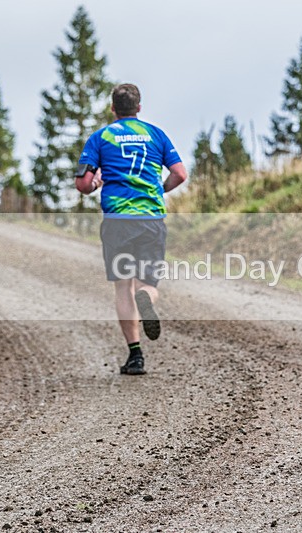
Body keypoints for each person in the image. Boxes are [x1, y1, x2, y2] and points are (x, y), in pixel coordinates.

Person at [75, 83, 187, 375]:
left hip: (116, 222)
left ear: (113, 108)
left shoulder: (101, 138)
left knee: (123, 286)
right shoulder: (155, 134)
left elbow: (83, 184)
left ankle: (135, 356)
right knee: (147, 283)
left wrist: (98, 182)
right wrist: (159, 191)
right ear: (139, 107)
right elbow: (180, 173)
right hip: (150, 219)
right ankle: (147, 298)